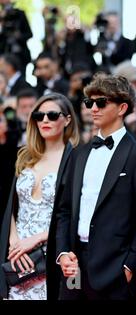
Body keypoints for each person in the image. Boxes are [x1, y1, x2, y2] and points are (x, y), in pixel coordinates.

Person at [55, 73, 136, 300]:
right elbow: (64, 210)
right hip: (74, 266)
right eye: (89, 102)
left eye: (101, 102)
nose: (93, 108)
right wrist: (63, 253)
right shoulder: (79, 153)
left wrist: (129, 267)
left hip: (114, 271)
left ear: (122, 108)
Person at [0, 93, 79, 300]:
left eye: (52, 115)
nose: (44, 120)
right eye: (39, 115)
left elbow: (76, 214)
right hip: (15, 255)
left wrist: (36, 240)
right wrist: (14, 239)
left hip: (51, 252)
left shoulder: (77, 160)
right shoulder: (23, 156)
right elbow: (9, 205)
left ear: (67, 119)